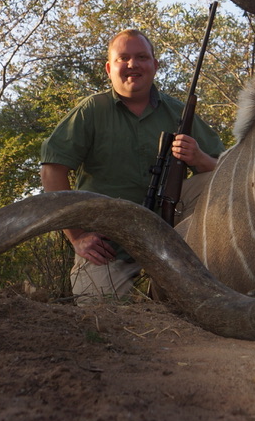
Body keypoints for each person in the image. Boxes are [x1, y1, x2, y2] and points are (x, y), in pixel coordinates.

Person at [40, 28, 225, 303]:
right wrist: (77, 237)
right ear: (109, 68)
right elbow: (52, 170)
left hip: (172, 239)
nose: (132, 64)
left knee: (217, 184)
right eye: (123, 58)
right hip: (109, 247)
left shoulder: (178, 111)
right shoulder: (90, 110)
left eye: (141, 57)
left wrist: (200, 159)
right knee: (100, 309)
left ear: (155, 65)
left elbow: (226, 169)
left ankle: (205, 269)